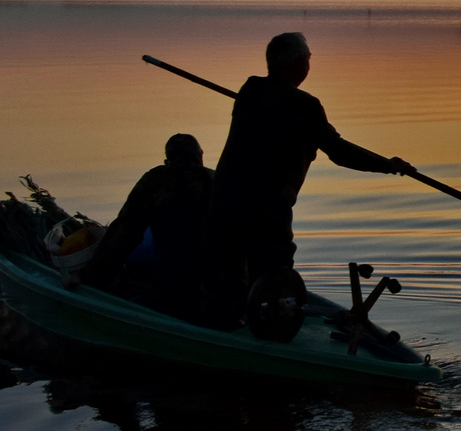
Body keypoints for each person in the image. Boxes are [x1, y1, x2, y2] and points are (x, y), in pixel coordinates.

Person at [208, 32, 410, 331]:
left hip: (224, 200)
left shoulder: (251, 89)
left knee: (231, 271)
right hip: (266, 207)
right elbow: (339, 152)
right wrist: (388, 165)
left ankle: (226, 323)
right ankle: (270, 332)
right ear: (299, 62)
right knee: (274, 270)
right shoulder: (304, 105)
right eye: (309, 58)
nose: (309, 63)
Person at [73, 133, 216, 319]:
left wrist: (87, 277)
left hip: (170, 288)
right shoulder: (217, 181)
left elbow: (123, 233)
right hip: (217, 288)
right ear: (201, 156)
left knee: (130, 282)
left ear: (167, 162)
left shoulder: (156, 181)